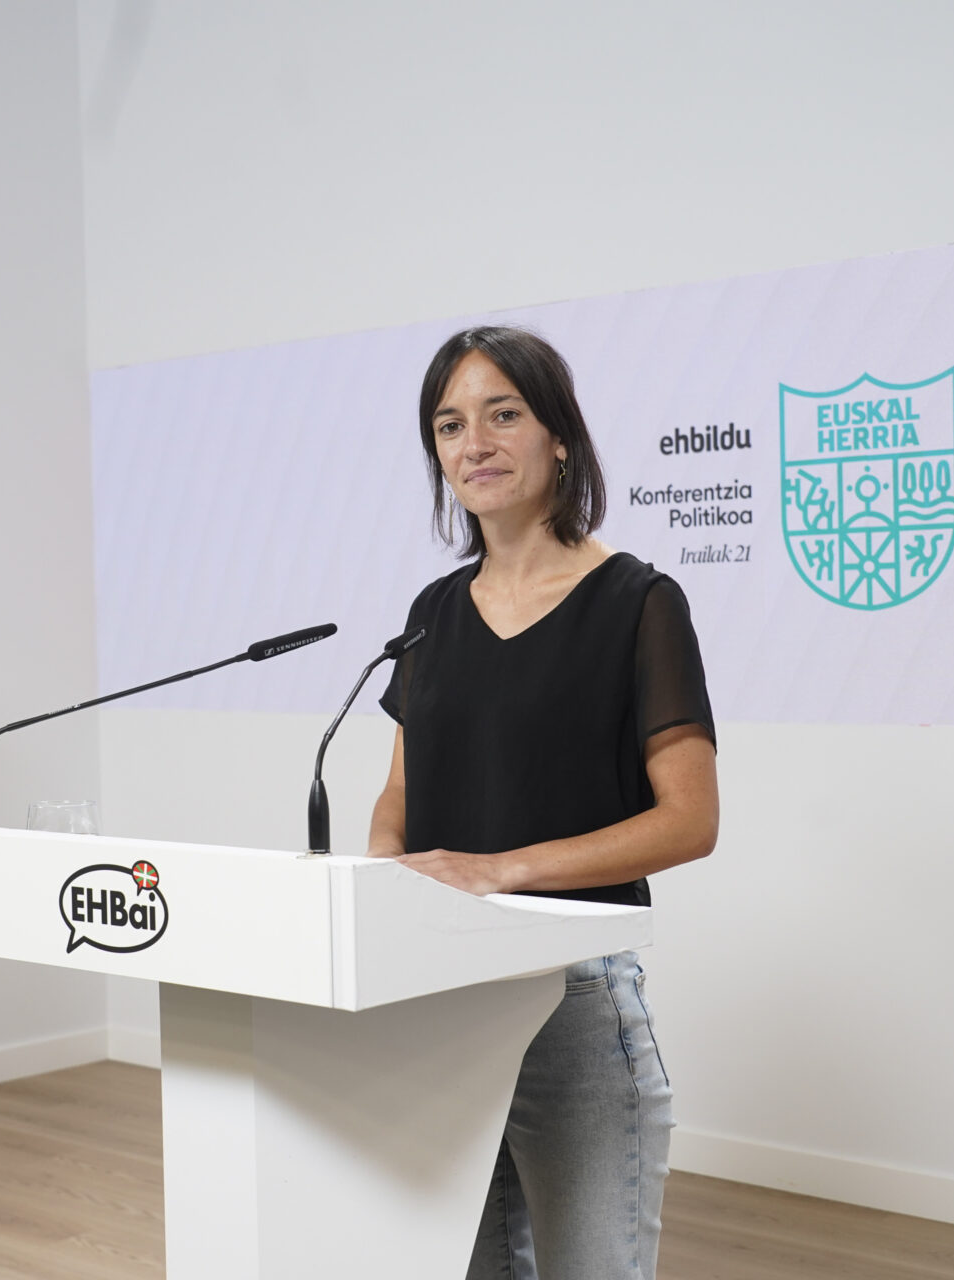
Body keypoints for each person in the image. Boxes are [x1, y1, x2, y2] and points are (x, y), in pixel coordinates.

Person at [368, 326, 718, 1280]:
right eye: (450, 425)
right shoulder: (432, 614)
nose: (474, 444)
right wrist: (385, 884)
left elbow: (689, 820)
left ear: (559, 436)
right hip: (439, 995)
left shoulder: (638, 602)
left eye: (503, 414)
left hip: (573, 1002)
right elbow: (399, 794)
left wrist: (502, 871)